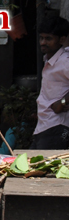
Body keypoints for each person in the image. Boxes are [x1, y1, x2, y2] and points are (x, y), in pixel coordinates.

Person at [32, 16, 69, 149]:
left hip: (57, 127)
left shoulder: (65, 61)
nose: (42, 42)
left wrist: (63, 102)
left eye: (48, 38)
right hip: (44, 126)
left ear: (62, 40)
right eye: (41, 38)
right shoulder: (48, 59)